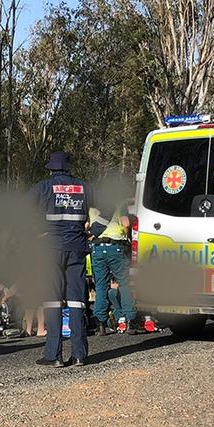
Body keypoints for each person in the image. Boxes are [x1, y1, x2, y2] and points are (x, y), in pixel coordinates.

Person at [29, 151, 91, 367]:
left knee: (53, 300)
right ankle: (80, 355)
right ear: (69, 167)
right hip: (77, 247)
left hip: (51, 248)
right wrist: (95, 230)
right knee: (77, 301)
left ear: (51, 168)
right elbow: (110, 207)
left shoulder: (43, 187)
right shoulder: (84, 187)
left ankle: (53, 355)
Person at [88, 204, 135, 334]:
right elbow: (125, 223)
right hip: (116, 247)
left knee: (101, 285)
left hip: (97, 248)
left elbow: (87, 226)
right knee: (124, 284)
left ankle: (101, 323)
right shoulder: (119, 204)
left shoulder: (92, 206)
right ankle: (129, 320)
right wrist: (128, 237)